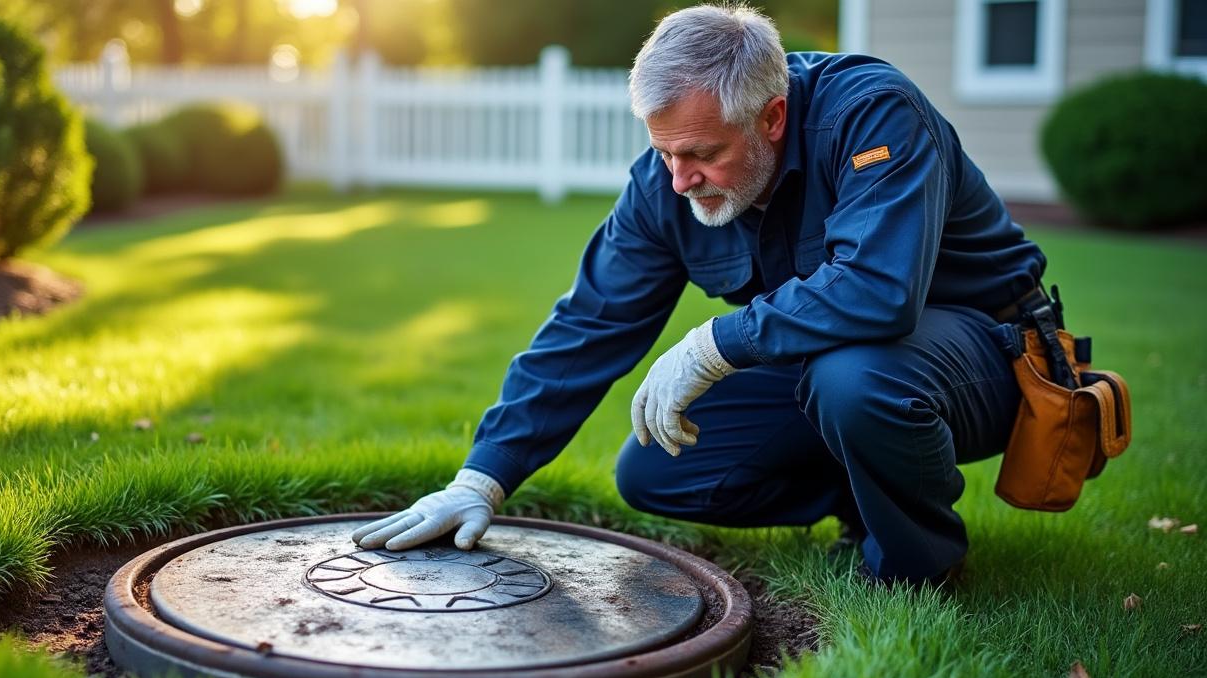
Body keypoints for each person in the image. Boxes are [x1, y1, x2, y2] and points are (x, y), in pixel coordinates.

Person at [351, 3, 1046, 586]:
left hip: (993, 359)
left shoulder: (871, 116)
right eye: (665, 153)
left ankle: (917, 574)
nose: (680, 179)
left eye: (703, 154)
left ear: (771, 117)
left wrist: (717, 343)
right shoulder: (666, 184)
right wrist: (482, 478)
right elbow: (591, 323)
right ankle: (868, 497)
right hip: (845, 368)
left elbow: (878, 292)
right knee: (655, 471)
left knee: (853, 377)